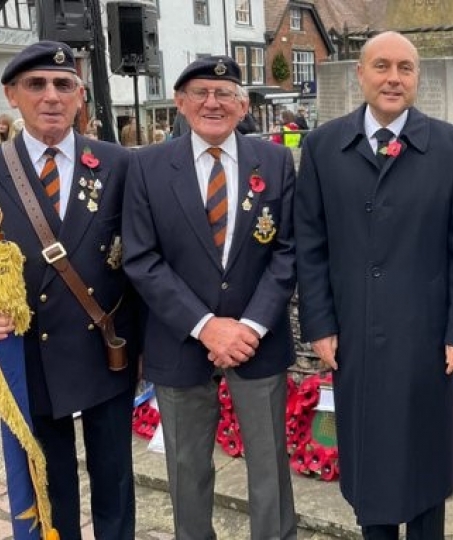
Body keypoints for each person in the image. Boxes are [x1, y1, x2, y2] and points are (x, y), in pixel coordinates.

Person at [295, 31, 453, 539]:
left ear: (417, 78)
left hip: (427, 340)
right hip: (354, 337)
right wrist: (319, 322)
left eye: (405, 68)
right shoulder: (323, 147)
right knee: (370, 468)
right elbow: (310, 244)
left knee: (425, 466)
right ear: (360, 74)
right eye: (381, 66)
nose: (393, 78)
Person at [122, 55, 298, 540]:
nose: (212, 102)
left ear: (243, 106)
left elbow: (288, 251)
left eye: (225, 94)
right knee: (186, 466)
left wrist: (252, 325)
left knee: (269, 466)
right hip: (180, 340)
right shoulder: (147, 166)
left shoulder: (277, 161)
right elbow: (142, 258)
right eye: (200, 92)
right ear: (180, 103)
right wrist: (205, 325)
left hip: (256, 340)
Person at [0, 40, 140, 539]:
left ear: (81, 97)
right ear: (12, 95)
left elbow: (141, 258)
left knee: (115, 481)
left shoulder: (119, 163)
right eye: (36, 85)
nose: (51, 96)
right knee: (50, 481)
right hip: (30, 354)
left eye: (64, 85)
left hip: (107, 348)